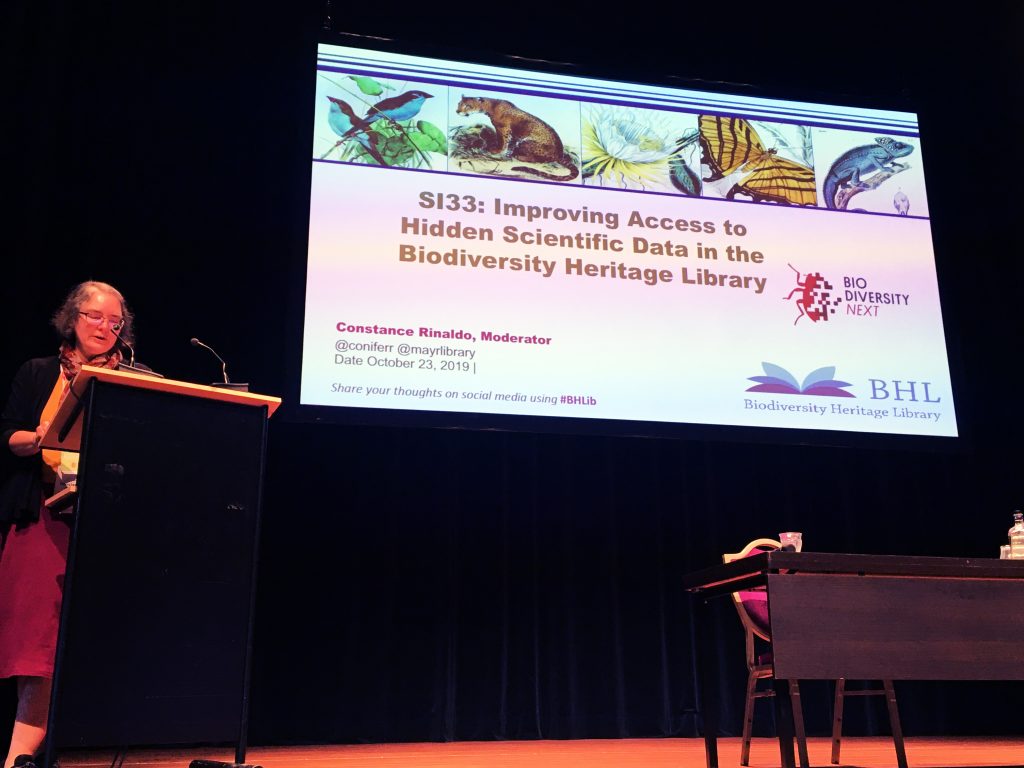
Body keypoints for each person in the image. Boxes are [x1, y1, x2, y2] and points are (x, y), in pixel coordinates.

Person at [0, 281, 134, 768]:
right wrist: (39, 437)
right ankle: (21, 757)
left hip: (104, 523)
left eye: (115, 322)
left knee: (89, 642)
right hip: (44, 517)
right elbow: (7, 435)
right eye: (96, 317)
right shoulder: (38, 373)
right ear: (73, 318)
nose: (106, 328)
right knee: (37, 646)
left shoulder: (131, 381)